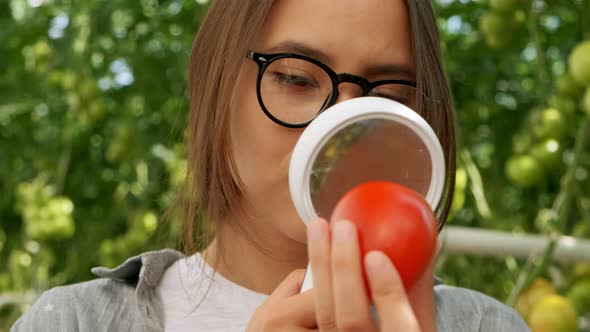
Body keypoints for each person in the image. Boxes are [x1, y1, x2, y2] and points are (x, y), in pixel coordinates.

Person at [12, 1, 531, 331]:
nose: (339, 130)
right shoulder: (76, 322)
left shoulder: (483, 325)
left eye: (387, 95)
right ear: (212, 82)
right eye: (296, 78)